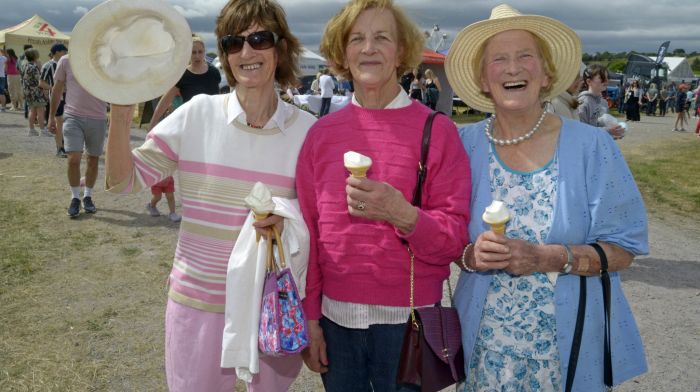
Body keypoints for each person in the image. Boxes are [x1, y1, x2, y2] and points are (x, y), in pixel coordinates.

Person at [105, 0, 316, 390]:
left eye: (260, 39)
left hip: (271, 304)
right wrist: (119, 110)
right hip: (198, 302)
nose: (246, 52)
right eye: (234, 43)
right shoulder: (197, 114)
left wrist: (289, 214)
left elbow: (323, 221)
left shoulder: (309, 131)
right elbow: (123, 182)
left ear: (281, 48)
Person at [445, 4, 648, 390]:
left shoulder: (592, 146)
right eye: (498, 59)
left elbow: (624, 248)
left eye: (526, 56)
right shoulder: (461, 145)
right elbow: (445, 237)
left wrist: (544, 257)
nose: (513, 68)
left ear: (547, 72)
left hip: (566, 354)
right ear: (483, 80)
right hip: (484, 354)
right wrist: (471, 256)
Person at [296, 1, 471, 390]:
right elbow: (309, 234)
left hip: (408, 323)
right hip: (335, 323)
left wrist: (401, 214)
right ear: (342, 53)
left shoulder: (437, 131)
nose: (368, 48)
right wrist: (311, 317)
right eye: (356, 38)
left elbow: (454, 241)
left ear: (401, 51)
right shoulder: (321, 135)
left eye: (381, 38)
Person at [48, 54, 108, 218]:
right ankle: (75, 198)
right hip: (73, 116)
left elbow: (117, 88)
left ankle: (87, 196)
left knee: (93, 160)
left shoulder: (105, 59)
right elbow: (57, 88)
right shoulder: (66, 60)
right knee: (73, 158)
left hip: (98, 117)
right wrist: (51, 116)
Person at [149, 35, 221, 130]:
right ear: (188, 54)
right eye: (193, 52)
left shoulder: (214, 73)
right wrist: (152, 124)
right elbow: (165, 101)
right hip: (191, 125)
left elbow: (218, 100)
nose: (197, 56)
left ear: (204, 52)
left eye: (200, 52)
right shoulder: (183, 75)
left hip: (211, 124)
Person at [577, 64, 625, 139]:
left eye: (607, 77)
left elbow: (603, 126)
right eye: (602, 78)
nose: (606, 81)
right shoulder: (583, 102)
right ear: (589, 81)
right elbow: (581, 130)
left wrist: (614, 133)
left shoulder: (604, 102)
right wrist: (608, 131)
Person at [40, 43, 69, 157]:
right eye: (64, 51)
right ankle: (59, 148)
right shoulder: (49, 65)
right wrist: (55, 88)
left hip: (68, 97)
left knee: (65, 122)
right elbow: (41, 83)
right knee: (59, 121)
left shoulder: (66, 64)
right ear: (57, 52)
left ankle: (64, 146)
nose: (65, 53)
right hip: (57, 98)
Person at [21, 48, 48, 137]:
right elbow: (39, 81)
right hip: (36, 92)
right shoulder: (34, 67)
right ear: (35, 56)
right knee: (40, 111)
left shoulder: (24, 65)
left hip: (28, 91)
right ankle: (43, 131)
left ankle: (31, 129)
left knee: (32, 110)